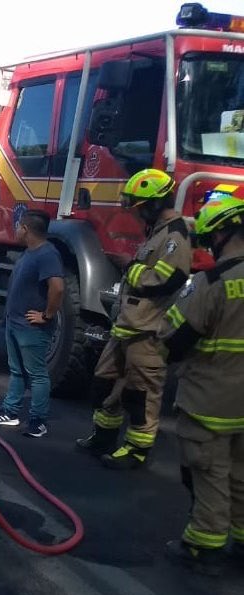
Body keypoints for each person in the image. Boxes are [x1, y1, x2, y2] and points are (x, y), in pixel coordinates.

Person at [77, 169, 192, 469]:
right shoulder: (158, 231)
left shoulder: (175, 236)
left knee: (140, 395)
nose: (138, 214)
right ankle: (103, 436)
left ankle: (136, 449)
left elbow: (168, 280)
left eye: (140, 207)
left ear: (154, 204)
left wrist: (130, 266)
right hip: (127, 327)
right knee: (104, 382)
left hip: (147, 331)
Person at [159, 195, 244, 576]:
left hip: (210, 399)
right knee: (242, 473)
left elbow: (174, 338)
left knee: (208, 472)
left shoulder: (211, 283)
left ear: (222, 233)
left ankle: (203, 545)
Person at [0, 210, 63, 438]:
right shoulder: (30, 252)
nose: (15, 230)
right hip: (15, 324)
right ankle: (10, 411)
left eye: (18, 226)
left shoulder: (47, 255)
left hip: (31, 329)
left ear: (25, 229)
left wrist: (46, 316)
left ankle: (38, 420)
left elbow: (57, 288)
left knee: (36, 374)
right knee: (17, 371)